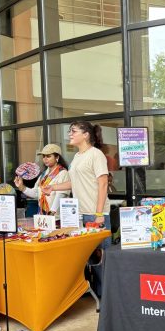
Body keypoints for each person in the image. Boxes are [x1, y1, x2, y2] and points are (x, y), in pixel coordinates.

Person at [42, 122, 110, 296]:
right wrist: (53, 188)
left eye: (73, 131)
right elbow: (74, 182)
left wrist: (99, 214)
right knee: (88, 260)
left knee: (102, 260)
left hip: (96, 214)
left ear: (86, 135)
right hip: (79, 215)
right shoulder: (77, 157)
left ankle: (107, 297)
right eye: (69, 131)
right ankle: (96, 294)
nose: (70, 134)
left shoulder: (96, 155)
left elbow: (103, 184)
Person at [14, 144, 70, 216]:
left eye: (48, 156)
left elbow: (61, 195)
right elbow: (36, 194)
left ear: (57, 157)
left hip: (57, 217)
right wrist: (22, 187)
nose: (45, 159)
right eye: (44, 156)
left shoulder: (63, 173)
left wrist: (52, 212)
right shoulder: (43, 175)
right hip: (43, 216)